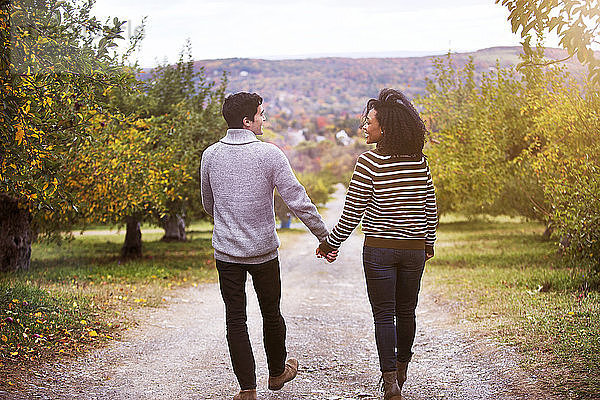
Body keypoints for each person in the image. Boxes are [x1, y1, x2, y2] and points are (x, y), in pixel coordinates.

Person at [201, 92, 331, 400]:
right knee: (271, 312)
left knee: (235, 318)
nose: (265, 119)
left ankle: (247, 389)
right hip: (263, 253)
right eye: (261, 114)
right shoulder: (270, 154)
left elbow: (209, 204)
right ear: (247, 121)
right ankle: (276, 373)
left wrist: (230, 217)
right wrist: (325, 237)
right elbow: (298, 200)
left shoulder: (210, 155)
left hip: (227, 253)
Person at [317, 88, 438, 400]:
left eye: (369, 122)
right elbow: (430, 207)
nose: (364, 127)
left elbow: (353, 212)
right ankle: (401, 368)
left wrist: (331, 243)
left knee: (384, 314)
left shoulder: (368, 163)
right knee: (406, 310)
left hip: (379, 250)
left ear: (385, 128)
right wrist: (428, 243)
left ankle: (390, 384)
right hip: (413, 249)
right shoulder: (419, 163)